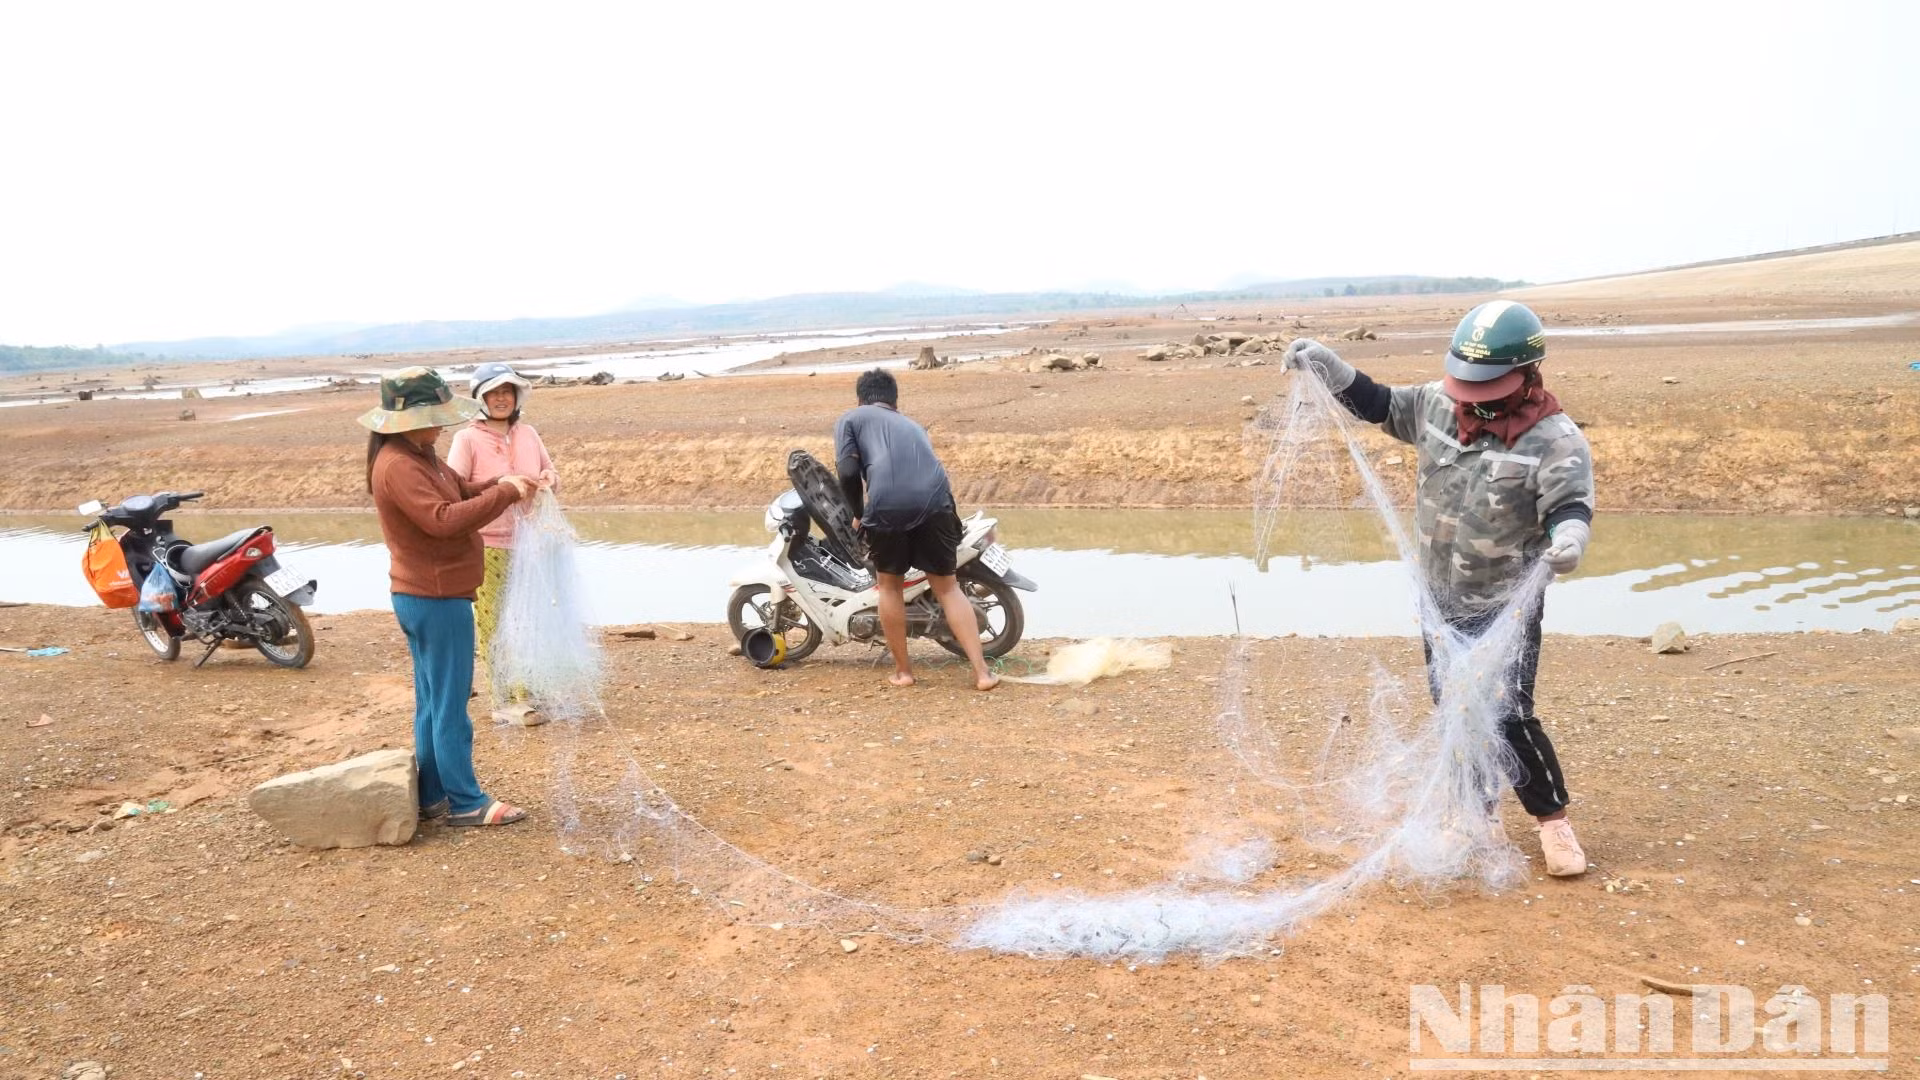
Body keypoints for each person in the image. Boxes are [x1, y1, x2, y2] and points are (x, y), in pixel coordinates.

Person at [1284, 300, 1594, 877]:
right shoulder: (1435, 405)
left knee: (1507, 712)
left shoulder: (1555, 440)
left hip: (1505, 603)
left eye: (1487, 384)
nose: (1472, 395)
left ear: (1526, 375)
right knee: (1455, 707)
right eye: (1467, 382)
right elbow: (1378, 403)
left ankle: (1554, 823)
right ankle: (1475, 815)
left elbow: (1569, 505)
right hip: (1439, 598)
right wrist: (1330, 367)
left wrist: (1570, 540)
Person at [360, 367, 540, 828]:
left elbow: (463, 491)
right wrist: (504, 492)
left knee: (433, 701)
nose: (443, 424)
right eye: (435, 415)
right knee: (450, 704)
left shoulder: (420, 454)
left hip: (430, 594)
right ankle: (466, 800)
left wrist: (509, 485)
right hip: (435, 597)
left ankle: (433, 793)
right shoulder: (400, 465)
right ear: (407, 419)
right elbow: (443, 518)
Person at [834, 369, 999, 691]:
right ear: (894, 401)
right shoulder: (912, 425)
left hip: (887, 504)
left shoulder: (851, 418)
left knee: (890, 587)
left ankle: (904, 672)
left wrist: (857, 513)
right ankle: (982, 674)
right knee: (948, 588)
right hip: (937, 502)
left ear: (860, 398)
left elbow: (848, 470)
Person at [446, 362, 559, 726]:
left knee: (529, 618)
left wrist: (547, 479)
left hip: (531, 543)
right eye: (494, 393)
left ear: (516, 397)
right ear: (480, 397)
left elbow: (551, 472)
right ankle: (503, 700)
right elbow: (456, 488)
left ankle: (529, 693)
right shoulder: (466, 439)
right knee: (494, 622)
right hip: (487, 544)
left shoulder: (528, 433)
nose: (501, 399)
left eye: (507, 392)